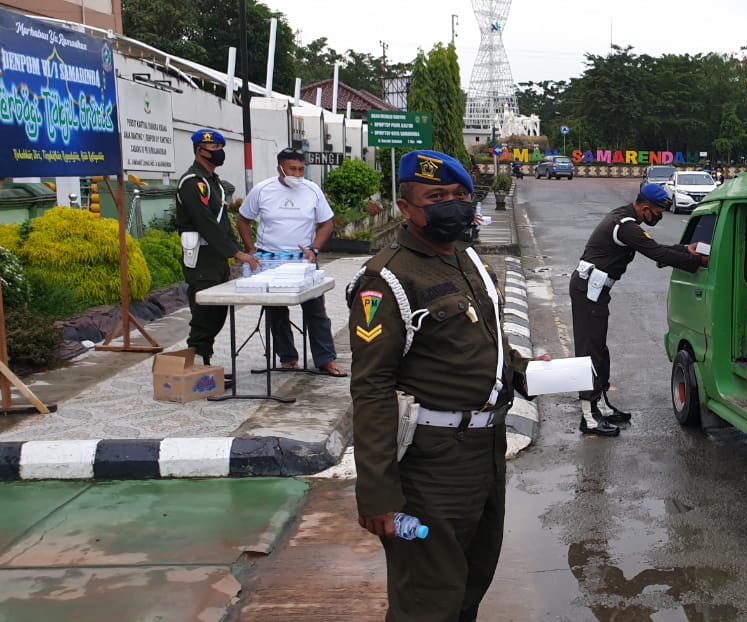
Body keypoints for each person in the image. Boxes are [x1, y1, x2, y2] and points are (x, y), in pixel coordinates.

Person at [348, 149, 543, 622]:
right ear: (406, 207)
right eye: (436, 196)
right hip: (431, 465)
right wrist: (377, 495)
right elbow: (372, 386)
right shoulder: (386, 279)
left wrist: (524, 372)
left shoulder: (468, 257)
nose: (451, 205)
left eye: (459, 195)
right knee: (428, 597)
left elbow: (486, 342)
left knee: (471, 583)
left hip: (485, 452)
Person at [571, 183, 708, 436]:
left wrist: (684, 250)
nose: (659, 217)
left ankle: (601, 404)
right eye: (657, 213)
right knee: (589, 351)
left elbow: (655, 249)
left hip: (595, 290)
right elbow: (657, 253)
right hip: (588, 290)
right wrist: (695, 260)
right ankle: (588, 417)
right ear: (645, 208)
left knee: (600, 349)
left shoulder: (627, 220)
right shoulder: (625, 226)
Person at [236, 148, 346, 377]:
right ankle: (288, 358)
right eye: (292, 169)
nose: (297, 174)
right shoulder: (262, 190)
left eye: (300, 170)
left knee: (316, 311)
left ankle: (325, 360)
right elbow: (243, 221)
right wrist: (251, 249)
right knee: (276, 312)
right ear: (280, 168)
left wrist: (314, 248)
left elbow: (327, 223)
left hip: (303, 260)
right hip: (270, 259)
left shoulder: (312, 190)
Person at [176, 129, 259, 366]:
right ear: (199, 150)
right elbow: (206, 224)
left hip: (217, 258)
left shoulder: (213, 183)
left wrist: (236, 250)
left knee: (218, 312)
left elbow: (222, 224)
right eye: (213, 149)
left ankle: (204, 364)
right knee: (204, 316)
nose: (218, 153)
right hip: (201, 259)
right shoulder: (192, 183)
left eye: (220, 149)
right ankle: (196, 366)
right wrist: (236, 252)